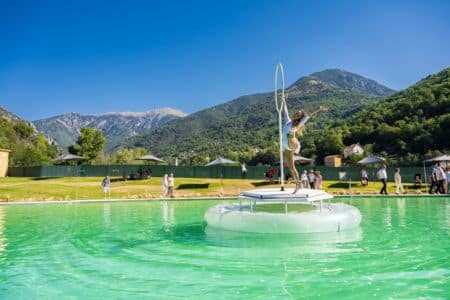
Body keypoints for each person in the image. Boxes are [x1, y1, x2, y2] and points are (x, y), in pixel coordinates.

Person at [281, 101, 328, 193]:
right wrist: (283, 101)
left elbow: (308, 115)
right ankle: (298, 184)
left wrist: (318, 109)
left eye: (298, 114)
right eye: (296, 113)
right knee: (291, 167)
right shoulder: (288, 122)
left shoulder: (299, 123)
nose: (296, 114)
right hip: (286, 147)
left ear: (299, 118)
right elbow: (285, 111)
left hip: (293, 143)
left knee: (291, 133)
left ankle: (292, 136)